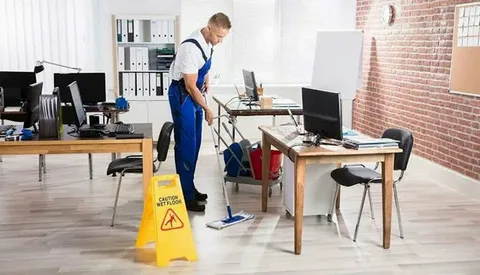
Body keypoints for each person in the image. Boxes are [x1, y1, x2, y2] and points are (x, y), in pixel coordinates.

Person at [168, 13, 231, 212]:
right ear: (209, 28)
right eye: (219, 37)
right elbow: (189, 85)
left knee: (194, 145)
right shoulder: (190, 48)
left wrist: (206, 78)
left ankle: (189, 188)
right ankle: (185, 196)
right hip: (183, 95)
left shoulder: (209, 42)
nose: (220, 41)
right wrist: (207, 108)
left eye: (224, 37)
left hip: (195, 93)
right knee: (186, 144)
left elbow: (202, 66)